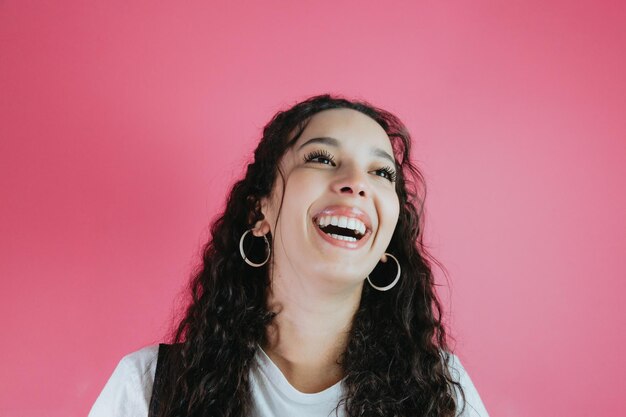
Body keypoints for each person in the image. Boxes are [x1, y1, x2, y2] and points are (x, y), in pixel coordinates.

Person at [88, 94, 489, 417]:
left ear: (388, 240)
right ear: (258, 211)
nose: (355, 183)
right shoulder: (148, 386)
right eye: (321, 158)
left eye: (381, 173)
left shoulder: (443, 394)